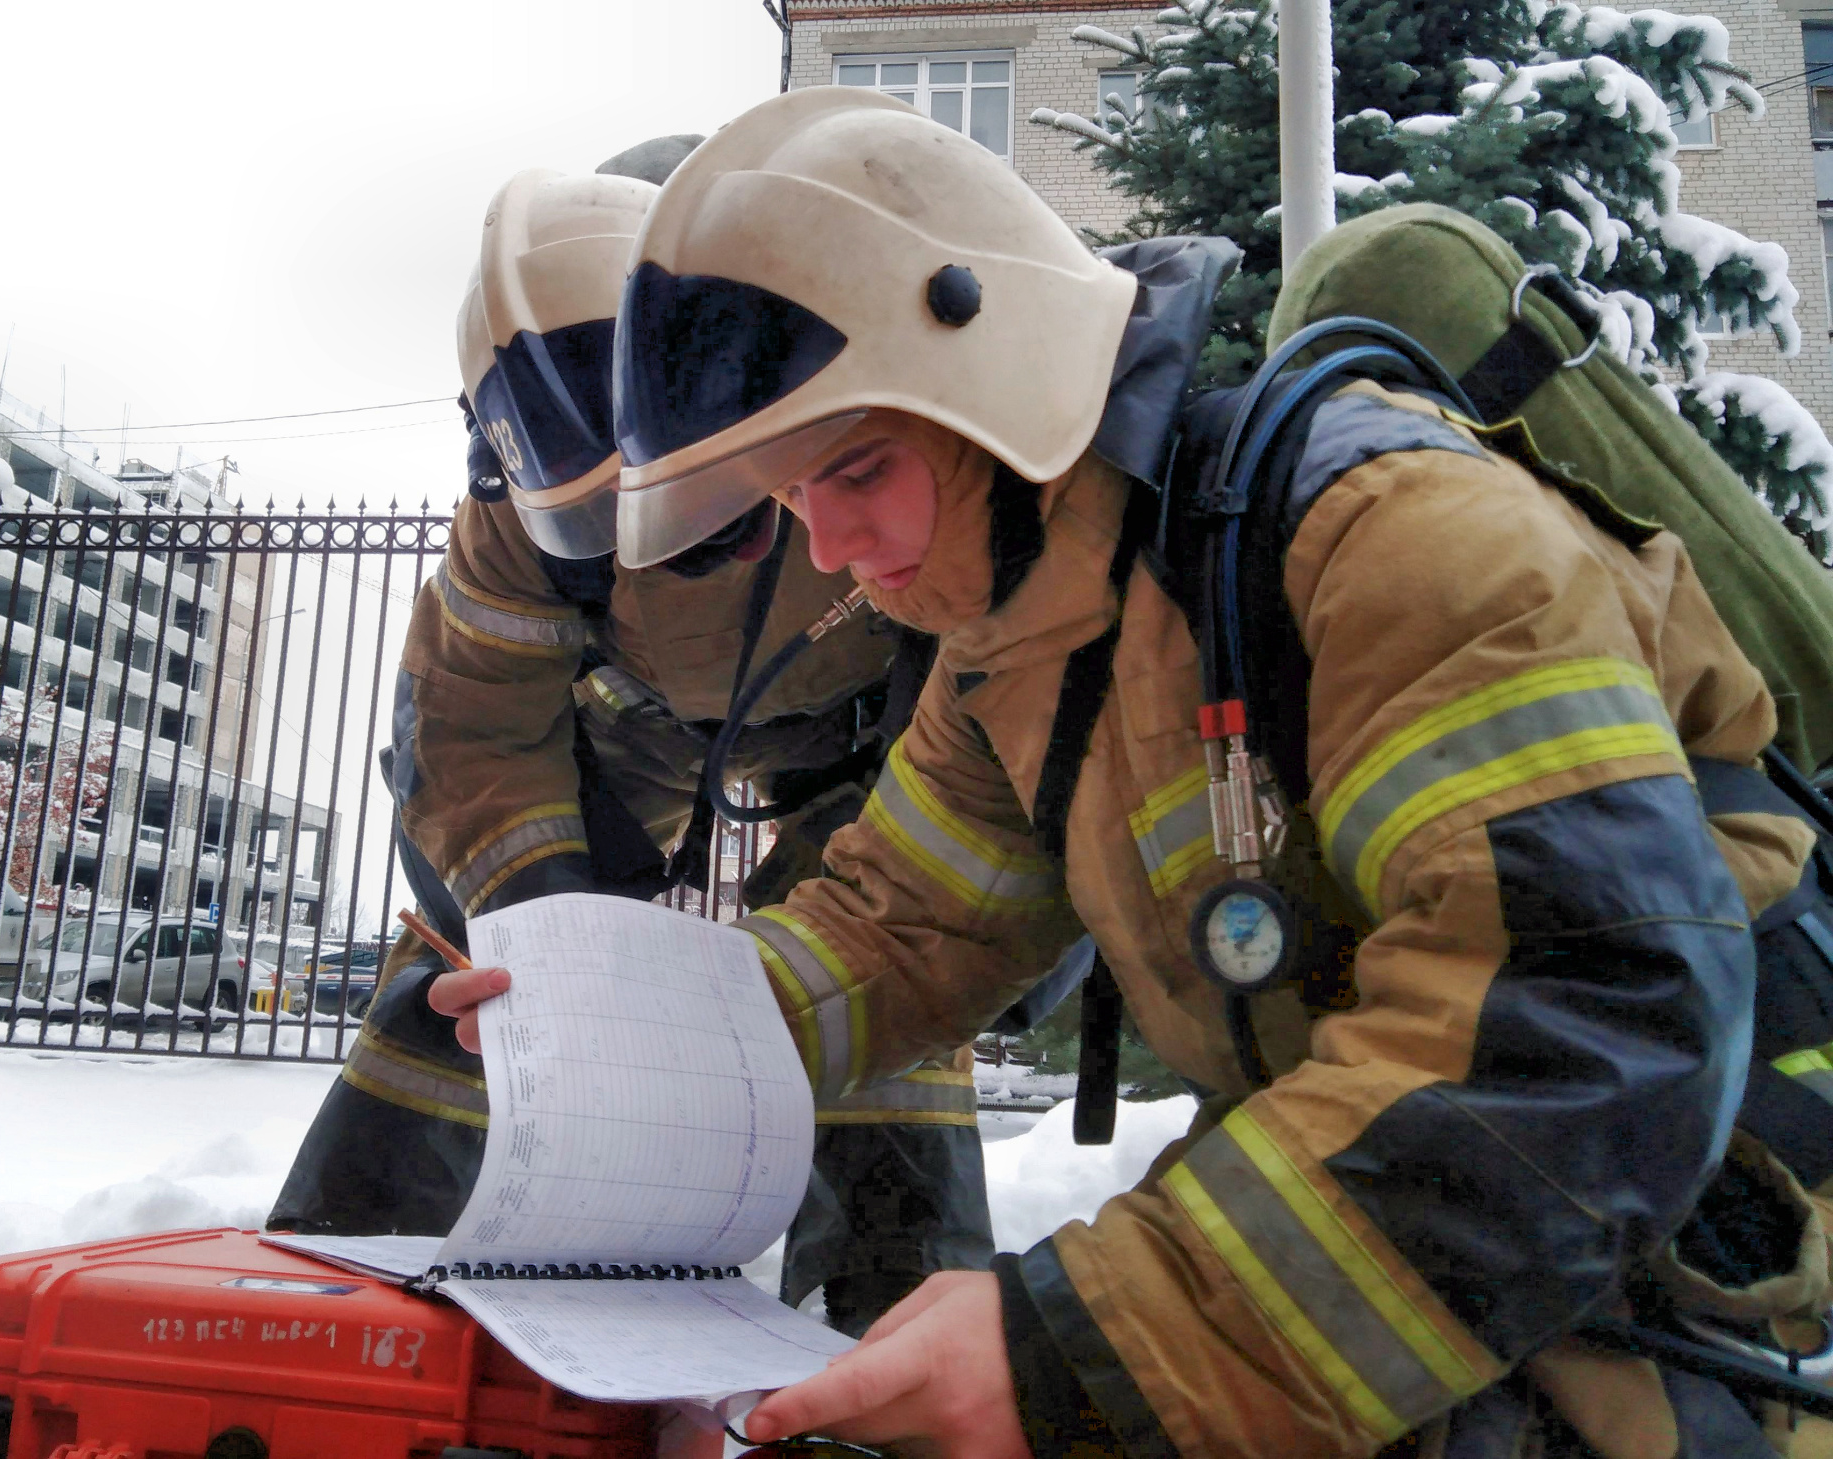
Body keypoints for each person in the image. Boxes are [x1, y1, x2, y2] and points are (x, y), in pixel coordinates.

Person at [433, 90, 1833, 1459]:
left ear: (989, 370)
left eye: (856, 466)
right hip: (1428, 1236)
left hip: (1680, 1263)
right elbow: (896, 928)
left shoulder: (1398, 537)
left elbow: (1582, 1014)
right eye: (797, 500)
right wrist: (623, 1035)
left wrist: (1063, 1354)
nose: (836, 543)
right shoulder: (1010, 654)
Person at [269, 152, 997, 1338]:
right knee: (491, 957)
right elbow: (476, 723)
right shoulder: (508, 515)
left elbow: (987, 694)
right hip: (635, 720)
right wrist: (544, 916)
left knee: (882, 953)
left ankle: (887, 1309)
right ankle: (351, 1268)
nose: (650, 535)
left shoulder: (837, 408)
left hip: (867, 722)